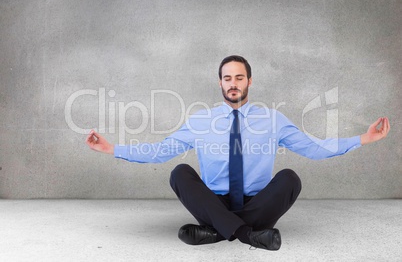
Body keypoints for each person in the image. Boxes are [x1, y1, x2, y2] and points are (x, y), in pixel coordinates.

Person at [86, 55, 390, 251]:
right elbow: (161, 151)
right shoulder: (201, 120)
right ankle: (248, 234)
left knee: (290, 178)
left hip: (257, 202)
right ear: (220, 82)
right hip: (214, 200)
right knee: (180, 173)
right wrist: (112, 148)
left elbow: (314, 148)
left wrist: (362, 138)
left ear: (250, 81)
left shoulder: (272, 120)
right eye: (227, 78)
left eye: (239, 77)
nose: (233, 84)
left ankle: (217, 232)